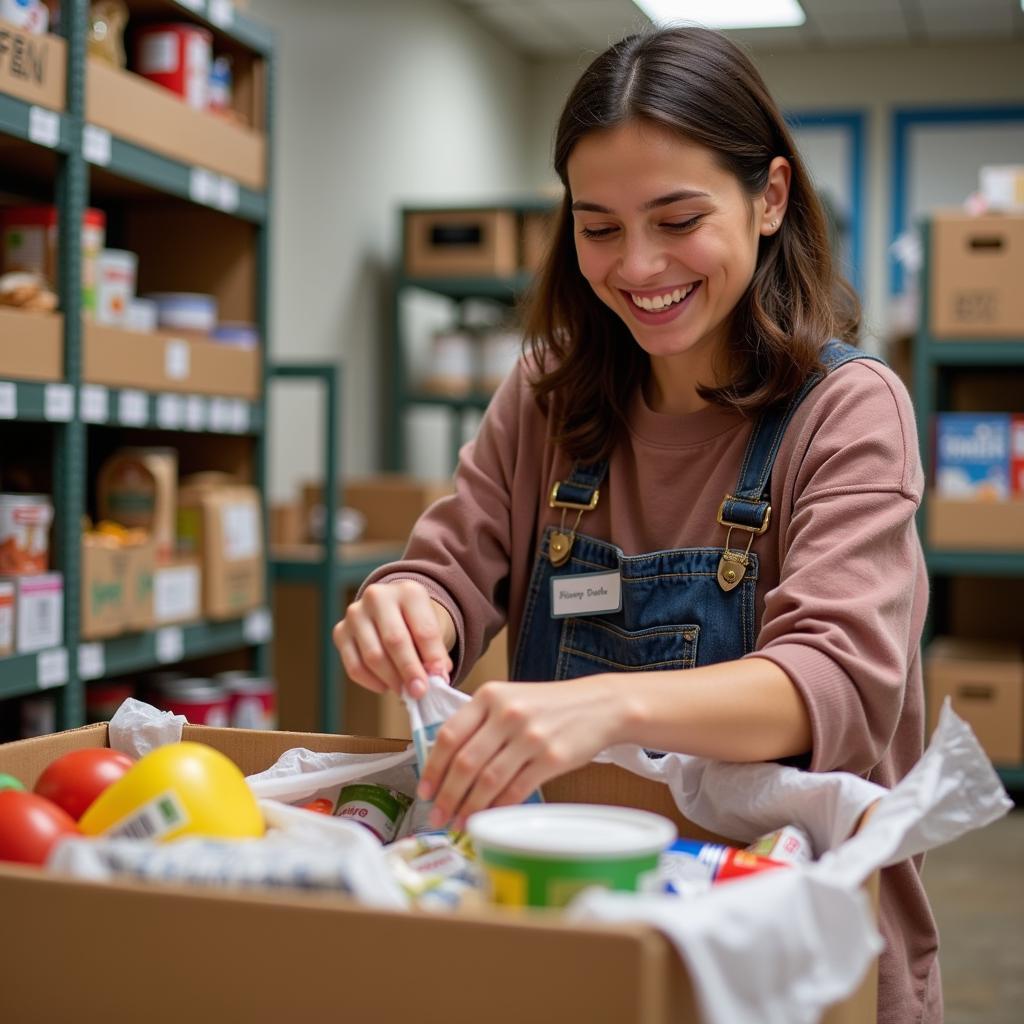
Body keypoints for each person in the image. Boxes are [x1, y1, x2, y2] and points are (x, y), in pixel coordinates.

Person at [334, 26, 939, 1024]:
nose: (639, 266)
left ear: (770, 198)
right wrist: (406, 602)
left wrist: (607, 707)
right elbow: (447, 569)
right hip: (572, 934)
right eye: (599, 227)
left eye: (677, 218)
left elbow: (834, 680)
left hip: (786, 956)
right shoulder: (546, 397)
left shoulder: (847, 410)